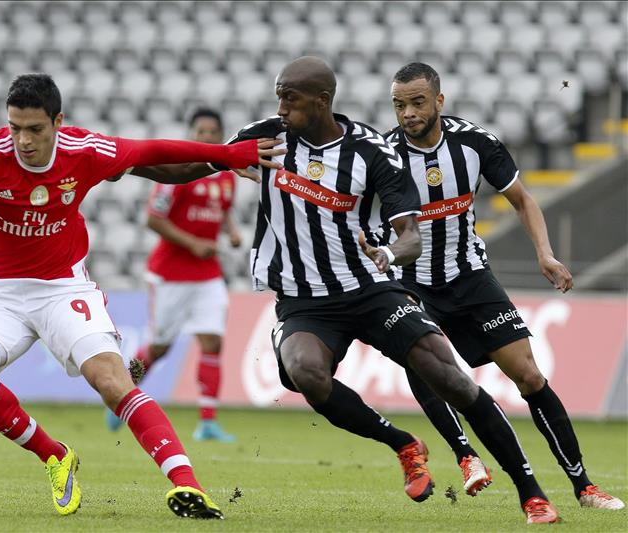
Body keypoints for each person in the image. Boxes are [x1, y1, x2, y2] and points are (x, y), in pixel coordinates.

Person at [130, 56, 562, 524]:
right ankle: (403, 444)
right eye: (278, 95)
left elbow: (411, 235)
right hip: (304, 298)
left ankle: (531, 492)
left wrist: (390, 255)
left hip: (371, 288)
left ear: (320, 101)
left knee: (449, 377)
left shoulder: (373, 153)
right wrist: (122, 162)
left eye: (289, 98)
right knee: (304, 374)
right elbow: (187, 168)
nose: (280, 106)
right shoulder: (266, 136)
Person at [0, 73, 285, 519]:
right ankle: (55, 455)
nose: (23, 140)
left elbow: (157, 152)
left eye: (35, 129)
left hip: (63, 287)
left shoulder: (85, 150)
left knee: (112, 380)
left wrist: (226, 155)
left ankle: (188, 486)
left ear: (58, 121)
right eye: (15, 128)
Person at [379, 61, 625, 511]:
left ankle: (584, 486)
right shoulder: (384, 155)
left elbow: (523, 200)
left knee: (529, 376)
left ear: (439, 101)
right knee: (426, 369)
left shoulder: (475, 143)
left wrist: (545, 254)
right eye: (399, 105)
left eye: (416, 103)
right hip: (412, 282)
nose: (408, 113)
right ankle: (467, 456)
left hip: (471, 276)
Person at [106, 108, 241, 442]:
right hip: (171, 272)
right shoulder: (180, 172)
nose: (207, 137)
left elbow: (222, 212)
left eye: (213, 131)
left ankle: (207, 421)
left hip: (207, 273)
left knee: (213, 340)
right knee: (159, 347)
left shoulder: (226, 176)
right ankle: (119, 396)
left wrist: (231, 231)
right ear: (192, 134)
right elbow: (154, 218)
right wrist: (193, 242)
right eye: (201, 131)